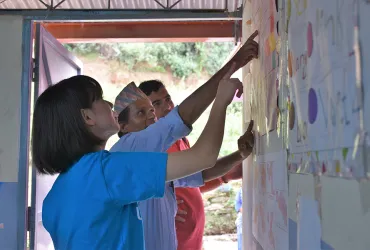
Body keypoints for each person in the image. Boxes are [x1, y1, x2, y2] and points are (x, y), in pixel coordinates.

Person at [31, 75, 242, 250]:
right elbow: (203, 157)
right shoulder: (107, 169)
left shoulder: (56, 195)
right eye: (100, 99)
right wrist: (221, 100)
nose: (108, 104)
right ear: (87, 117)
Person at [139, 79, 252, 250]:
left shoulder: (180, 139)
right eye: (157, 104)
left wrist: (227, 175)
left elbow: (193, 181)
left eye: (168, 99)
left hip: (193, 241)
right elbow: (204, 158)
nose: (168, 107)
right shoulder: (152, 147)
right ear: (147, 113)